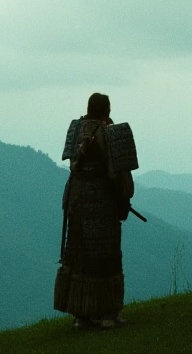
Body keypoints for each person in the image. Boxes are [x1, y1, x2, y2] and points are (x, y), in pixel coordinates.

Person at [55, 92, 138, 329]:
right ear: (107, 109)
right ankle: (106, 314)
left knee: (78, 255)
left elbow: (72, 164)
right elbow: (121, 174)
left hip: (76, 200)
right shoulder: (111, 133)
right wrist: (124, 199)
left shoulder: (75, 129)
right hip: (102, 201)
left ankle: (81, 314)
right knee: (105, 256)